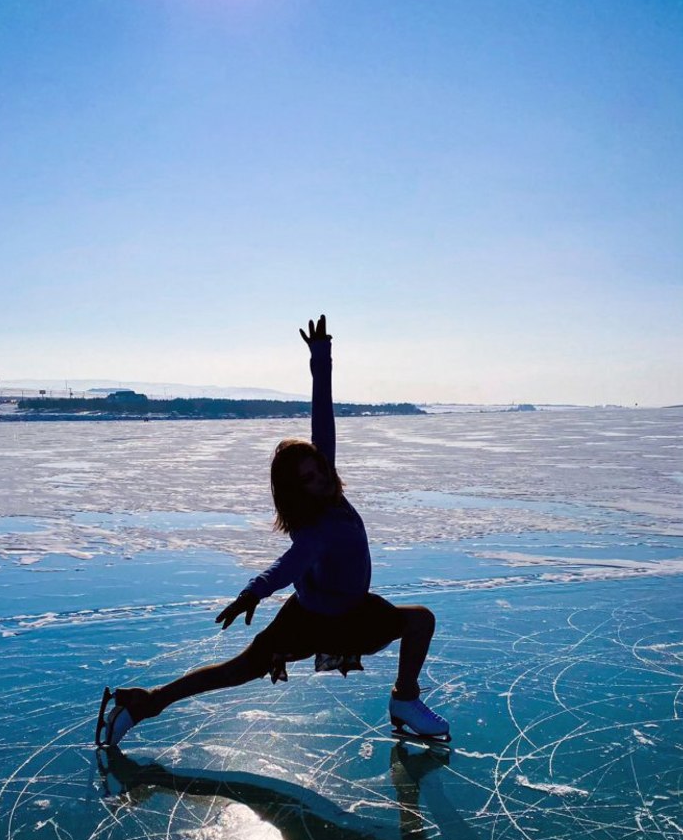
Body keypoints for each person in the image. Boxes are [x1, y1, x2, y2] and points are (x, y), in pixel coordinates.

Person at [96, 316, 451, 748]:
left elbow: (323, 422)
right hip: (320, 619)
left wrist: (321, 360)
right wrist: (255, 591)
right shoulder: (317, 526)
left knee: (418, 622)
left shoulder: (330, 493)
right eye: (308, 477)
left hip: (343, 610)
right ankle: (147, 703)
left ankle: (404, 700)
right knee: (238, 670)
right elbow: (291, 563)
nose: (320, 476)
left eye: (319, 468)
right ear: (294, 490)